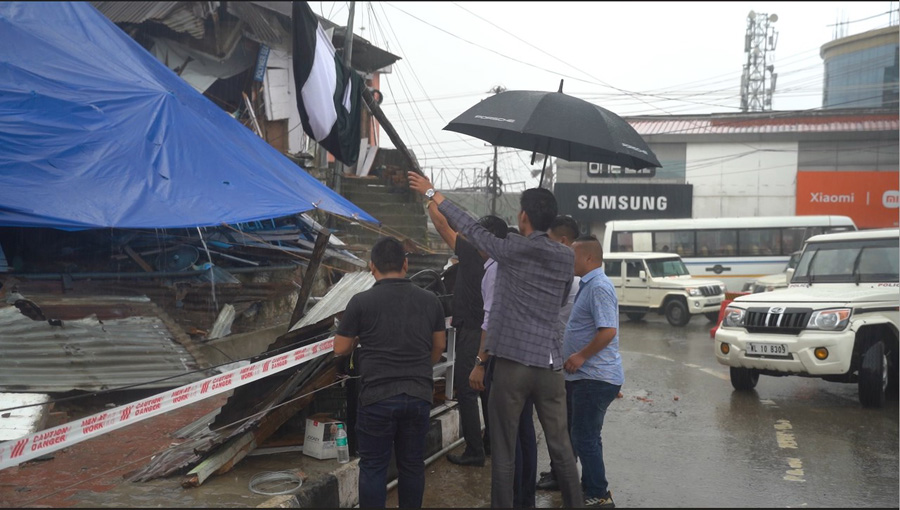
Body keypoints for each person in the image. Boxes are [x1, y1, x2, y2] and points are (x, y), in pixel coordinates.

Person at [408, 171, 584, 509]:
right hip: (550, 365)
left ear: (523, 216)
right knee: (561, 448)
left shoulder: (511, 249)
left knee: (503, 452)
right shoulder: (566, 256)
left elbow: (470, 227)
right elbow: (562, 299)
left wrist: (433, 192)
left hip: (513, 364)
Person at [333, 236, 447, 509]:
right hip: (418, 394)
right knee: (411, 465)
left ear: (372, 266)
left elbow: (340, 347)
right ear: (405, 264)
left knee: (373, 467)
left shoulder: (361, 302)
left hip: (377, 398)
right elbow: (439, 345)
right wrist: (420, 369)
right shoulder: (430, 300)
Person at [425, 199, 504, 467]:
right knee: (487, 388)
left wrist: (431, 196)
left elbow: (440, 223)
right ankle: (491, 443)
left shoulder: (472, 252)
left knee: (468, 387)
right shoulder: (506, 260)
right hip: (495, 334)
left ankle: (474, 451)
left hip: (473, 330)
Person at [563, 235, 624, 509]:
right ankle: (591, 489)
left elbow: (608, 330)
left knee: (583, 436)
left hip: (593, 376)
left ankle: (599, 494)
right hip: (588, 376)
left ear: (589, 258)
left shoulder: (598, 286)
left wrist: (580, 356)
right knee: (587, 435)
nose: (569, 261)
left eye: (573, 255)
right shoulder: (589, 285)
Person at [536, 215, 581, 492]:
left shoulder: (571, 279)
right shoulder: (576, 276)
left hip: (566, 363)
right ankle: (559, 474)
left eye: (550, 240)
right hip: (565, 361)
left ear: (563, 242)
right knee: (563, 424)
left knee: (562, 426)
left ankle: (563, 478)